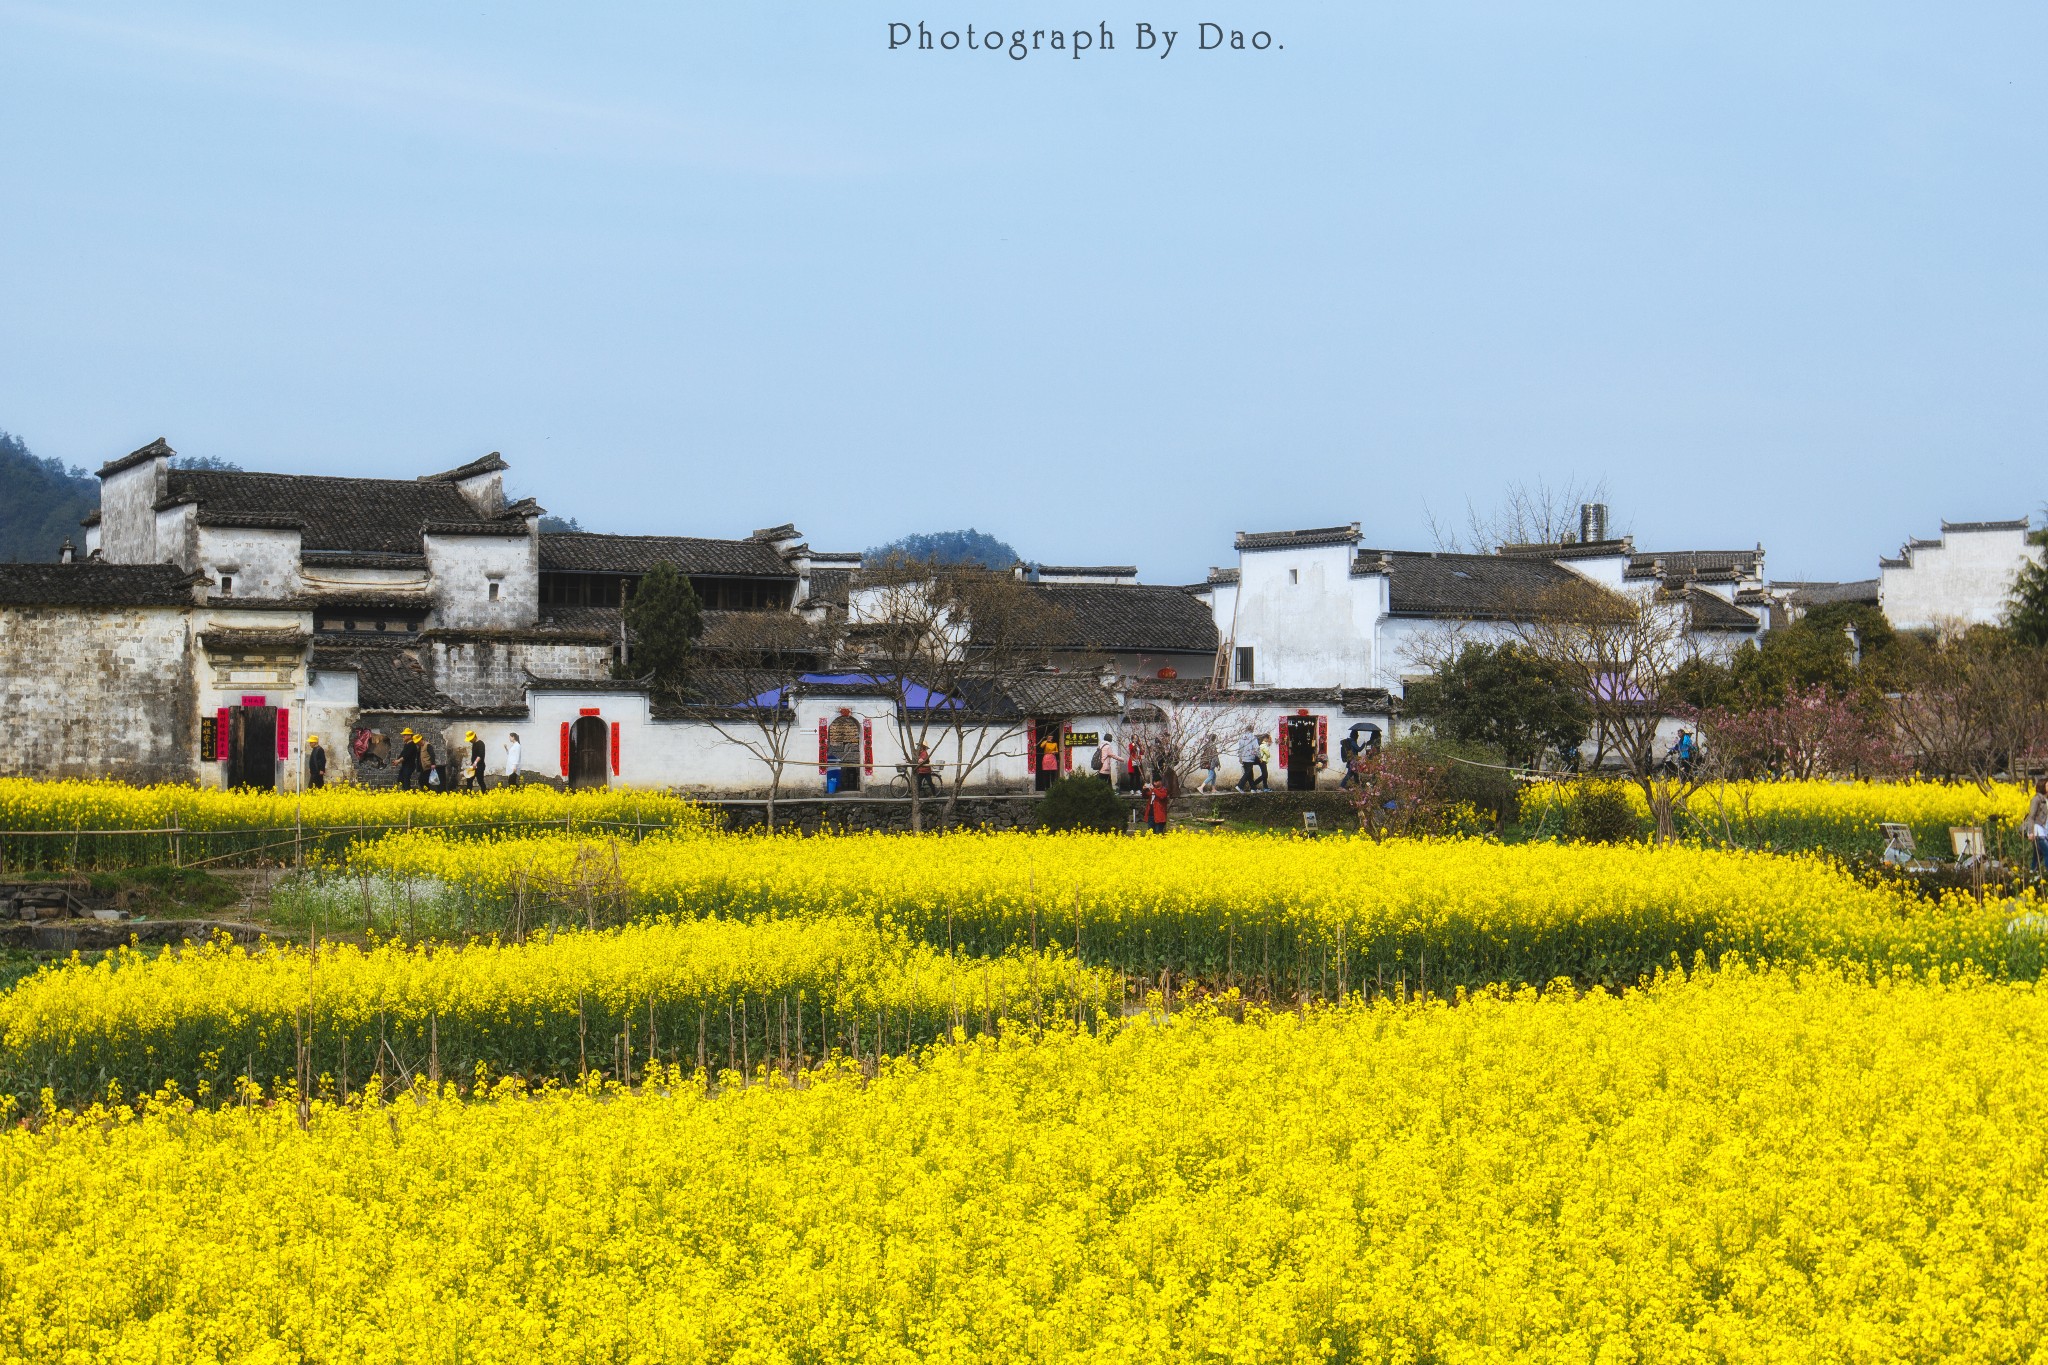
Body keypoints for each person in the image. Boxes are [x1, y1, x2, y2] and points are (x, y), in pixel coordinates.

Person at [2027, 779, 2048, 875]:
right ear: (2042, 786)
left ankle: (2031, 876)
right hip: (2038, 832)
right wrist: (2031, 832)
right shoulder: (2036, 799)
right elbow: (2031, 816)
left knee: (2037, 857)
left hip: (2045, 831)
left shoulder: (2046, 800)